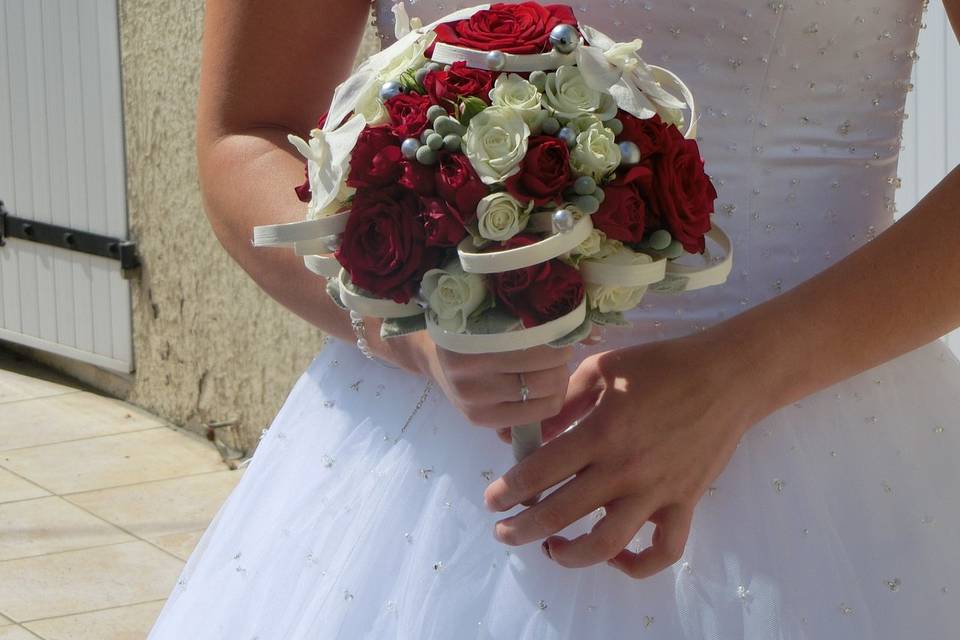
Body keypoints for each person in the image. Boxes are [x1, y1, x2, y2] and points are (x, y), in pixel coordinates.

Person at [149, 0, 960, 637]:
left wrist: (742, 376)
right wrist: (425, 333)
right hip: (441, 462)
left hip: (829, 440)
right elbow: (247, 134)